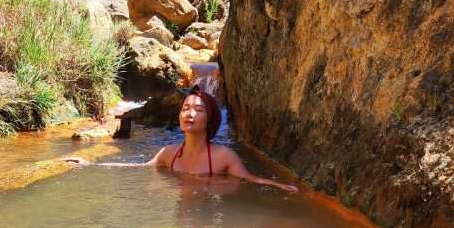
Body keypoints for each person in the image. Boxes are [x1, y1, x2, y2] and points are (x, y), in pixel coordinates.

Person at [66, 88, 298, 193]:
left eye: (198, 109)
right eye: (185, 108)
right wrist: (90, 166)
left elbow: (250, 179)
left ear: (210, 119)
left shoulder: (223, 157)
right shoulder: (168, 153)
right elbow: (138, 169)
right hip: (181, 204)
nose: (189, 113)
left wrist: (278, 185)